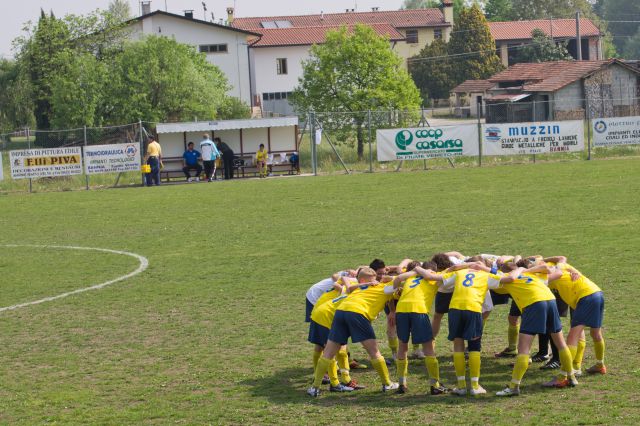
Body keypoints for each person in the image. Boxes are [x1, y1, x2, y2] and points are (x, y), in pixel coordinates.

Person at [481, 260, 578, 396]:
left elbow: (492, 278)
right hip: (550, 301)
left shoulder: (506, 279)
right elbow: (553, 271)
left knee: (524, 349)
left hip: (533, 304)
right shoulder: (534, 276)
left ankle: (514, 387)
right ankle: (571, 377)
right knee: (561, 343)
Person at [307, 267, 399, 397]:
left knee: (328, 352)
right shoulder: (385, 287)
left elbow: (347, 286)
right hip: (357, 313)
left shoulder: (359, 287)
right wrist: (391, 279)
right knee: (374, 352)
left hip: (340, 311)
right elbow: (399, 281)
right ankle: (387, 383)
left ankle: (315, 387)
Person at [419, 262, 505, 396]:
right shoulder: (485, 274)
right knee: (474, 346)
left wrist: (417, 268)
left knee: (458, 345)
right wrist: (486, 268)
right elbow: (505, 278)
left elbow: (435, 278)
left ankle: (461, 386)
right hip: (473, 309)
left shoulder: (459, 273)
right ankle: (475, 386)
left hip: (455, 310)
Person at [393, 260, 449, 395]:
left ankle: (402, 383)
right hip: (418, 310)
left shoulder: (410, 277)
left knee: (402, 345)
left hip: (401, 310)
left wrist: (397, 289)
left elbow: (398, 278)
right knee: (428, 347)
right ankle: (435, 385)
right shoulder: (433, 278)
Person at [545, 257, 607, 376]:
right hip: (596, 293)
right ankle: (599, 365)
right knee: (595, 333)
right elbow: (562, 258)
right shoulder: (561, 266)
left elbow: (559, 260)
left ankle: (565, 374)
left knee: (572, 336)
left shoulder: (551, 273)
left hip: (585, 297)